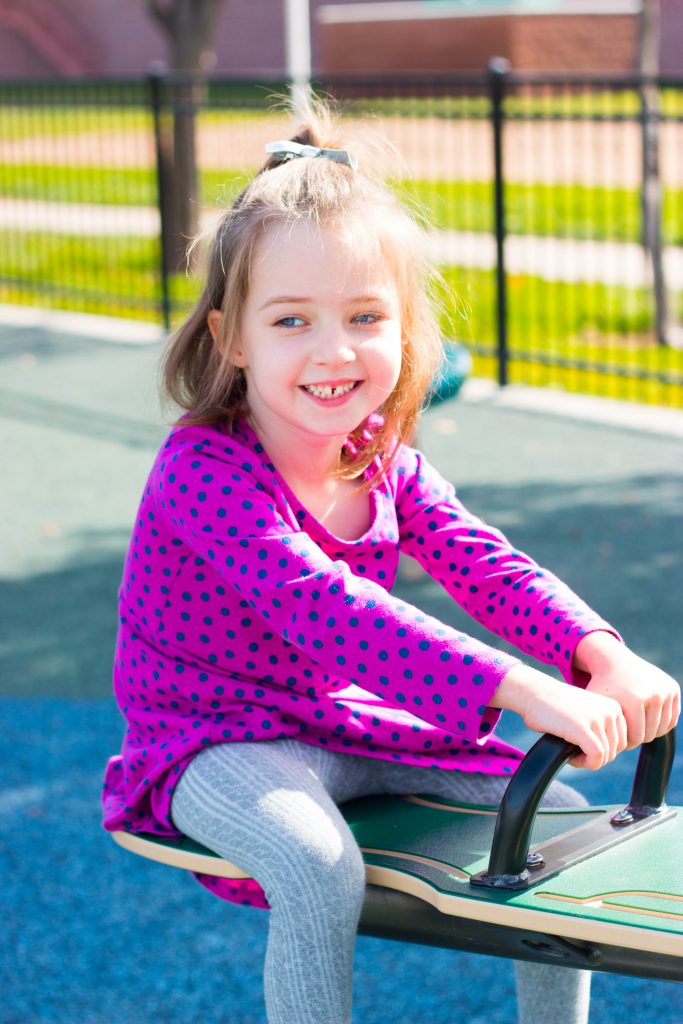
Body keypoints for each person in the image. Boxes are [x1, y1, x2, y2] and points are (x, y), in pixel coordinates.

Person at [102, 101, 680, 1024]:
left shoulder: (382, 457)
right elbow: (332, 610)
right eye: (291, 320)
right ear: (231, 340)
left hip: (343, 723)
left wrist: (595, 652)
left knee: (555, 818)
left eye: (364, 315)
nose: (334, 352)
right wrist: (522, 689)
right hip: (211, 732)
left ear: (404, 330)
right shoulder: (203, 472)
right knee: (314, 863)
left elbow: (485, 563)